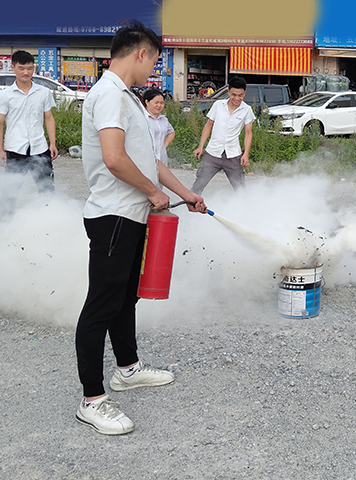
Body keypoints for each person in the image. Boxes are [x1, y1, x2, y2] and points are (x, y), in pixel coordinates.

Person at [75, 21, 207, 436]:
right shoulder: (109, 96)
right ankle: (92, 400)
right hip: (113, 215)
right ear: (139, 53)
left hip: (131, 216)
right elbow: (114, 159)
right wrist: (152, 192)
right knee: (102, 303)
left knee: (125, 298)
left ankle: (127, 369)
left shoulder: (127, 100)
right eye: (154, 60)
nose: (155, 70)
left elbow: (151, 161)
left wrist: (186, 194)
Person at [0, 50, 58, 219]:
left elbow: (49, 117)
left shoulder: (43, 92)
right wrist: (0, 150)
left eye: (30, 68)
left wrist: (52, 143)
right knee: (10, 191)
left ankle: (50, 222)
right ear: (13, 68)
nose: (26, 72)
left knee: (47, 189)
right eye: (21, 68)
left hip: (40, 147)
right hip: (15, 149)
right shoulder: (5, 95)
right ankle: (4, 224)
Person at [191, 76, 255, 194]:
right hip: (212, 153)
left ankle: (244, 211)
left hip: (233, 155)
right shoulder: (218, 105)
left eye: (240, 95)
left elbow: (248, 133)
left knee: (240, 188)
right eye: (233, 94)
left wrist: (246, 154)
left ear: (244, 94)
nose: (236, 98)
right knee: (199, 184)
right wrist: (200, 146)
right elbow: (208, 125)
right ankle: (189, 209)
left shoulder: (247, 110)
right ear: (229, 92)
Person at [143, 88, 175, 166]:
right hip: (145, 161)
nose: (159, 105)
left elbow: (171, 133)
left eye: (162, 103)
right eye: (156, 102)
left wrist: (163, 146)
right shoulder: (141, 118)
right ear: (147, 102)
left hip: (162, 160)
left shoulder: (163, 119)